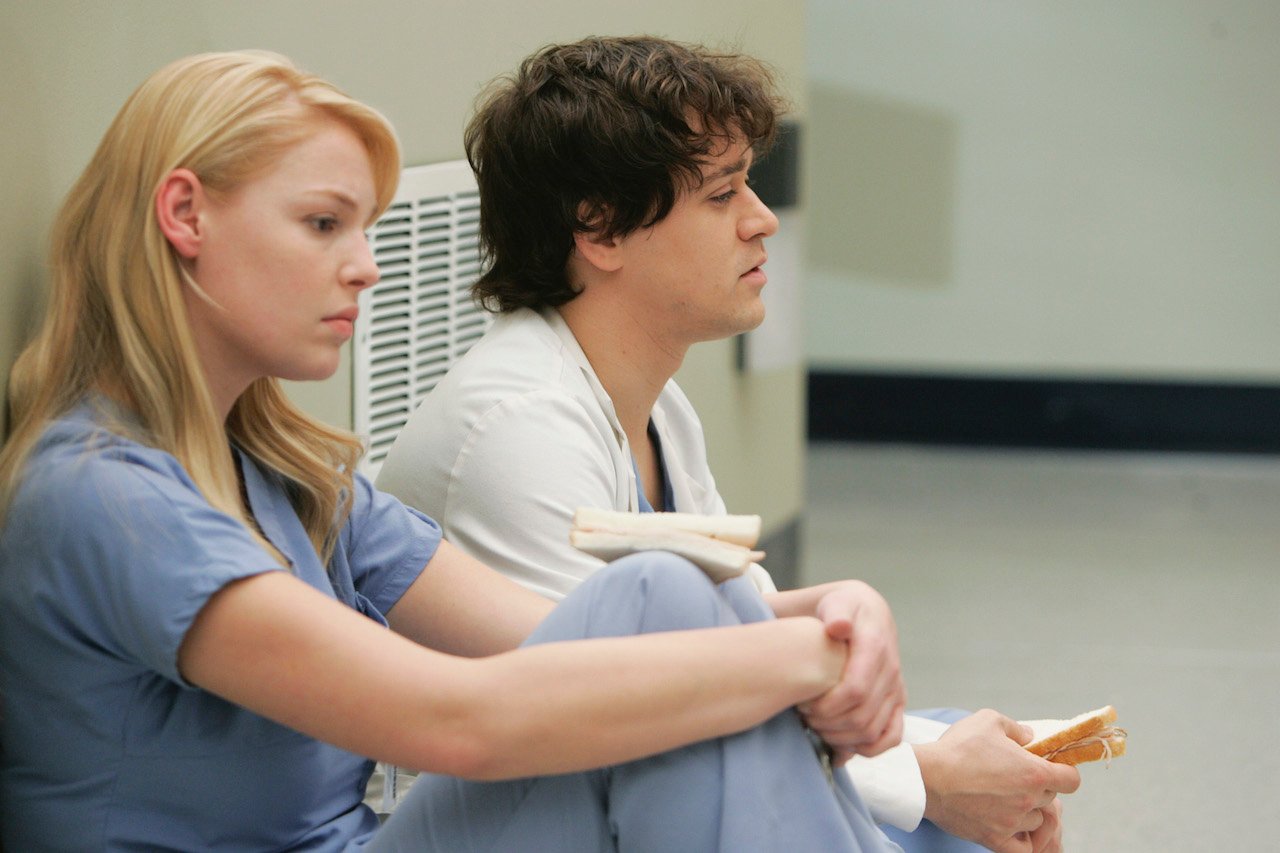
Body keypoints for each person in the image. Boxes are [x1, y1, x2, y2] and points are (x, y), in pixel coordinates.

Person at [0, 50, 915, 852]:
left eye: (362, 229)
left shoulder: (290, 476)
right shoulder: (102, 496)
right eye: (325, 224)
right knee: (686, 651)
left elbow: (563, 636)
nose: (367, 265)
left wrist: (835, 611)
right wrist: (804, 659)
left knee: (664, 591)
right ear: (186, 216)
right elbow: (457, 721)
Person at [376, 36, 1080, 853]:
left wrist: (928, 743)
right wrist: (927, 774)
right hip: (523, 804)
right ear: (599, 228)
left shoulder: (658, 403)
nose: (763, 219)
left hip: (623, 758)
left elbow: (736, 644)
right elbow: (634, 712)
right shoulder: (516, 427)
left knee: (974, 755)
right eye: (721, 195)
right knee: (932, 796)